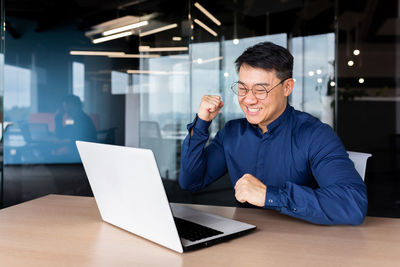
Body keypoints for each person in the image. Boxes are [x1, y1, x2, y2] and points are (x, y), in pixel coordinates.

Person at [179, 42, 367, 225]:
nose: (249, 99)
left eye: (260, 90)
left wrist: (269, 195)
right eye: (243, 88)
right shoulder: (232, 133)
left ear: (287, 87)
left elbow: (352, 203)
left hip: (301, 243)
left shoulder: (315, 135)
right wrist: (202, 122)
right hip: (245, 240)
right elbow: (191, 182)